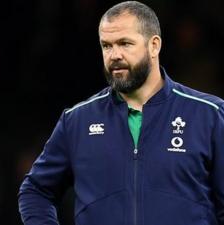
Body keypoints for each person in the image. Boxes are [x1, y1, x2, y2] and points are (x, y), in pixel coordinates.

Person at [18, 1, 224, 225]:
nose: (114, 55)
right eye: (106, 46)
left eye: (125, 43)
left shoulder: (209, 115)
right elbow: (36, 191)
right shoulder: (77, 120)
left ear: (154, 46)